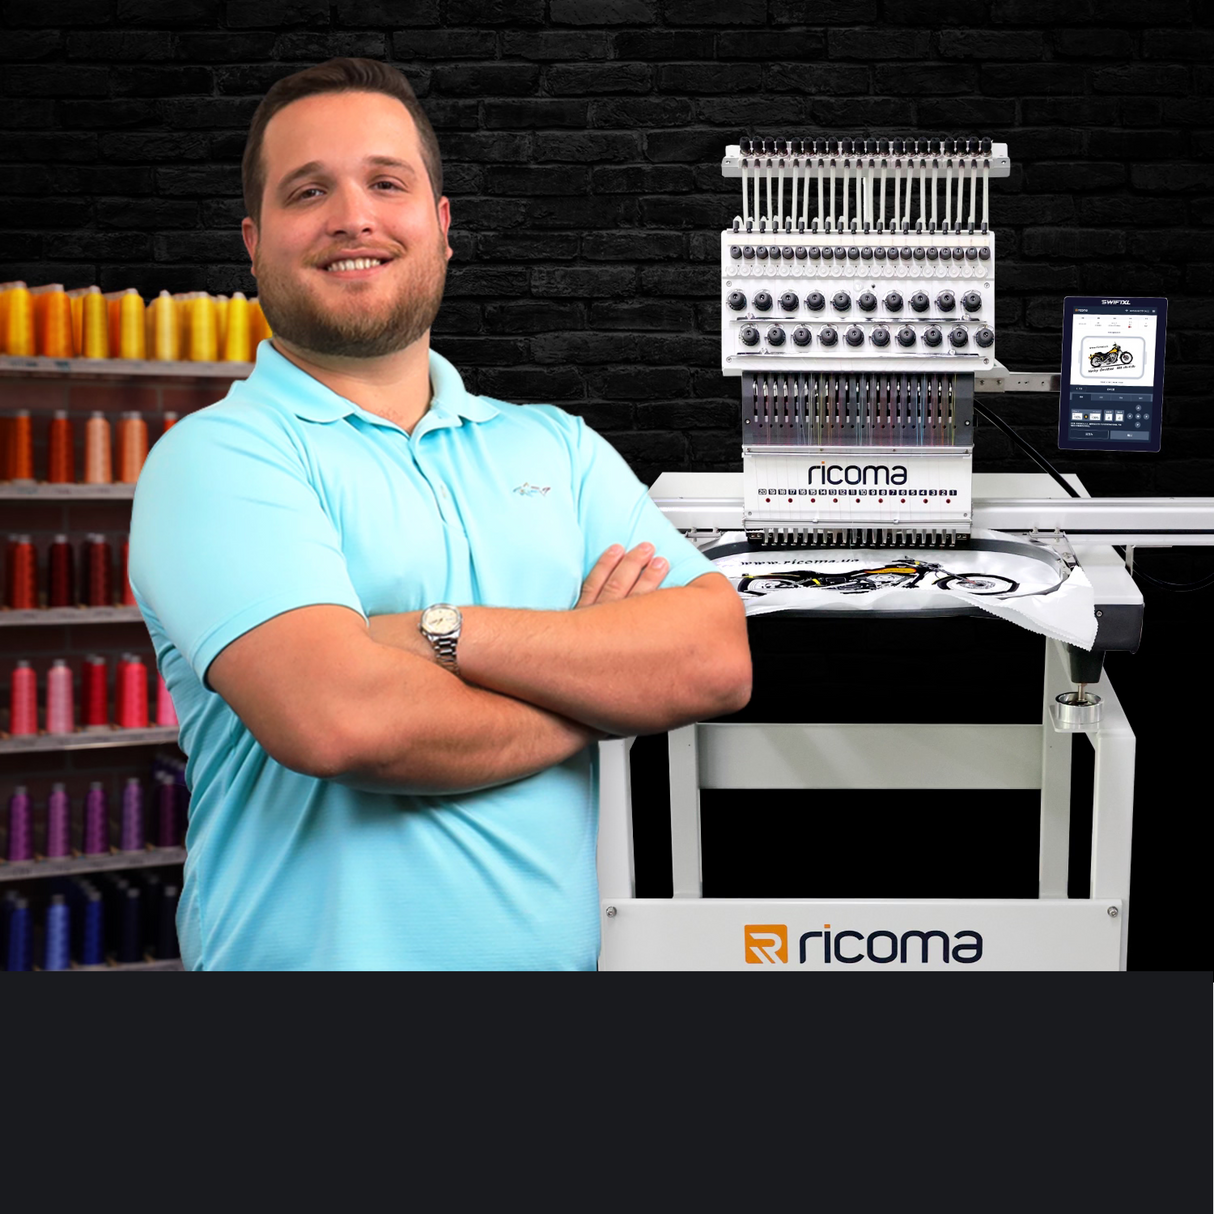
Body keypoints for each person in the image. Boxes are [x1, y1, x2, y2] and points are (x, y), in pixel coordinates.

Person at [129, 58, 752, 971]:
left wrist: (434, 636)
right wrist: (596, 687)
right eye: (311, 191)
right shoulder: (217, 458)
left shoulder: (556, 449)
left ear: (442, 226)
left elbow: (713, 657)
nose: (354, 216)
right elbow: (342, 721)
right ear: (254, 241)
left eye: (387, 182)